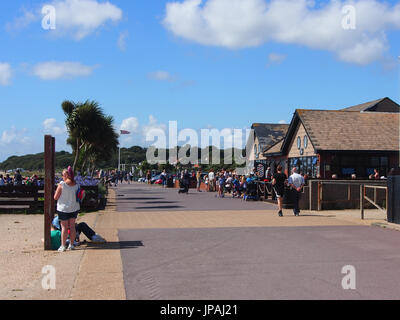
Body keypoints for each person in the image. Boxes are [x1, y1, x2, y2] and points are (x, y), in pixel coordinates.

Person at [54, 166, 80, 252]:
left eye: (63, 175)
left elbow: (55, 197)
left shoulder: (62, 184)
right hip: (74, 207)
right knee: (72, 227)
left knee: (64, 227)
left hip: (63, 208)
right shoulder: (76, 184)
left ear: (66, 175)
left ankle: (63, 245)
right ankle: (71, 245)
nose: (62, 177)